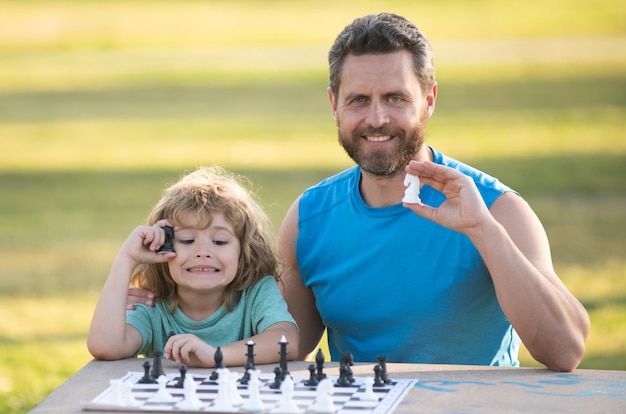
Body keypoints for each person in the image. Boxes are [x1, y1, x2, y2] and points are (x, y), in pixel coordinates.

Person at [127, 13, 589, 372]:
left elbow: (565, 351)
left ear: (428, 99)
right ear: (334, 104)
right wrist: (166, 305)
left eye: (395, 98)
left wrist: (484, 233)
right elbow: (286, 340)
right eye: (358, 100)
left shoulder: (497, 208)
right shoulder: (310, 217)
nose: (376, 119)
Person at [88, 166, 299, 368]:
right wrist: (126, 258)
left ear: (244, 252)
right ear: (163, 247)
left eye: (219, 241)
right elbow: (105, 347)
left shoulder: (256, 292)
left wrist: (216, 356)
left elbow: (287, 340)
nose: (203, 252)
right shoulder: (153, 304)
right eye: (188, 240)